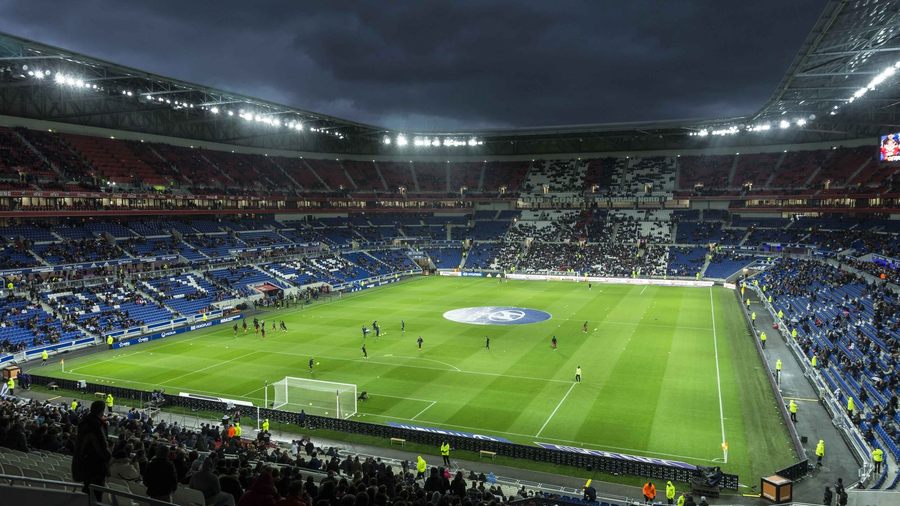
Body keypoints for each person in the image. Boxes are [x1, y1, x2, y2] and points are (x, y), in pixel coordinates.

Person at [72, 400, 111, 501]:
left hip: (84, 461)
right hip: (95, 465)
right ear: (101, 411)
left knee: (87, 489)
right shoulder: (97, 425)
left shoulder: (84, 421)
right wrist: (108, 458)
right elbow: (101, 445)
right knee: (95, 493)